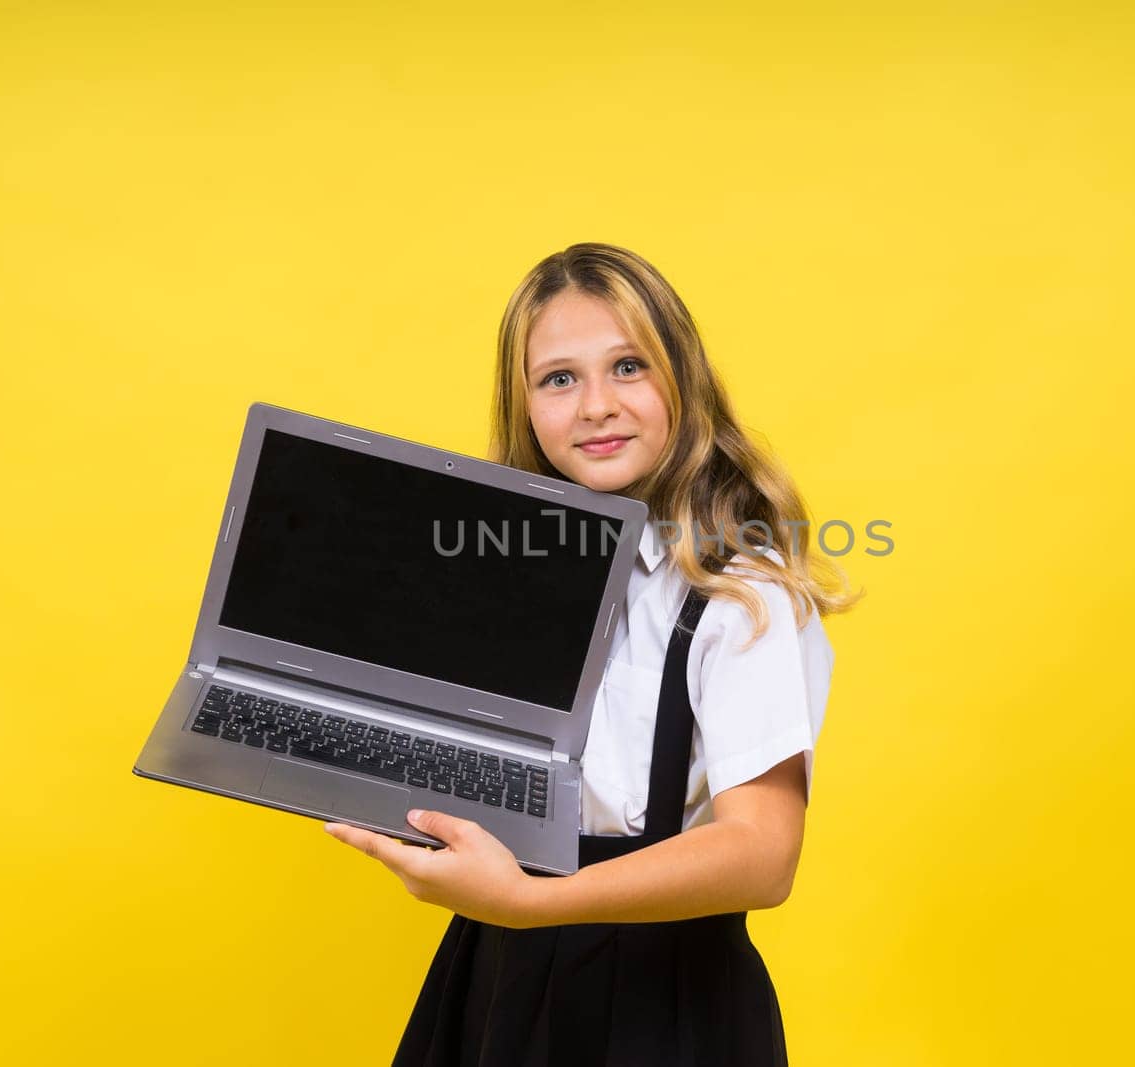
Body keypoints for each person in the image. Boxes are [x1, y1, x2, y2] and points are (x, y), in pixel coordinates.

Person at [325, 242, 858, 1066]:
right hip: (493, 969)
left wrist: (535, 902)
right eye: (559, 379)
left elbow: (763, 854)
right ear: (525, 403)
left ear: (684, 382)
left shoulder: (741, 593)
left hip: (662, 994)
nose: (596, 406)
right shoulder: (503, 569)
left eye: (629, 367)